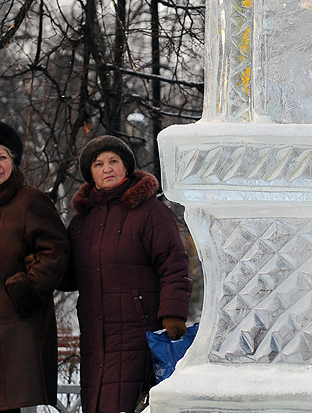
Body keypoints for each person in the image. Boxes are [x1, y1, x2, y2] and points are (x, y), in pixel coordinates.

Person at [62, 135, 191, 413]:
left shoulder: (150, 212)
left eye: (113, 161)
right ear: (91, 174)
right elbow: (68, 275)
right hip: (95, 336)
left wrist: (173, 313)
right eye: (99, 164)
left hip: (140, 332)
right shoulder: (81, 223)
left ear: (126, 168)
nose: (107, 168)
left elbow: (174, 263)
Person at [0, 121, 70, 413]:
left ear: (13, 161)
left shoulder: (30, 201)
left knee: (4, 406)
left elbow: (56, 251)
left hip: (12, 332)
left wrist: (25, 289)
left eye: (3, 157)